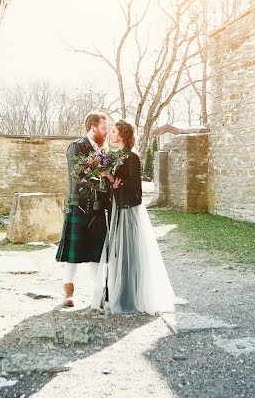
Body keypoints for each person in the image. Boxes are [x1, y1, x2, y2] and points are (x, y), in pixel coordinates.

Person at [93, 120, 175, 314]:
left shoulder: (132, 157)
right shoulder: (113, 156)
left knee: (128, 253)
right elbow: (113, 185)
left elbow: (135, 189)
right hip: (116, 210)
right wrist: (106, 179)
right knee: (116, 253)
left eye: (113, 131)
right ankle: (114, 293)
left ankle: (129, 297)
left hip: (128, 211)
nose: (110, 134)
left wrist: (112, 180)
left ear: (121, 136)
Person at [55, 111, 114, 307]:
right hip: (79, 204)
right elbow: (78, 176)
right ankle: (68, 293)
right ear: (93, 127)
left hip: (98, 208)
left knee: (96, 253)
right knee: (75, 253)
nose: (107, 132)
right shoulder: (77, 146)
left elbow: (107, 176)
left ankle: (98, 295)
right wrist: (105, 184)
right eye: (104, 128)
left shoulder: (104, 152)